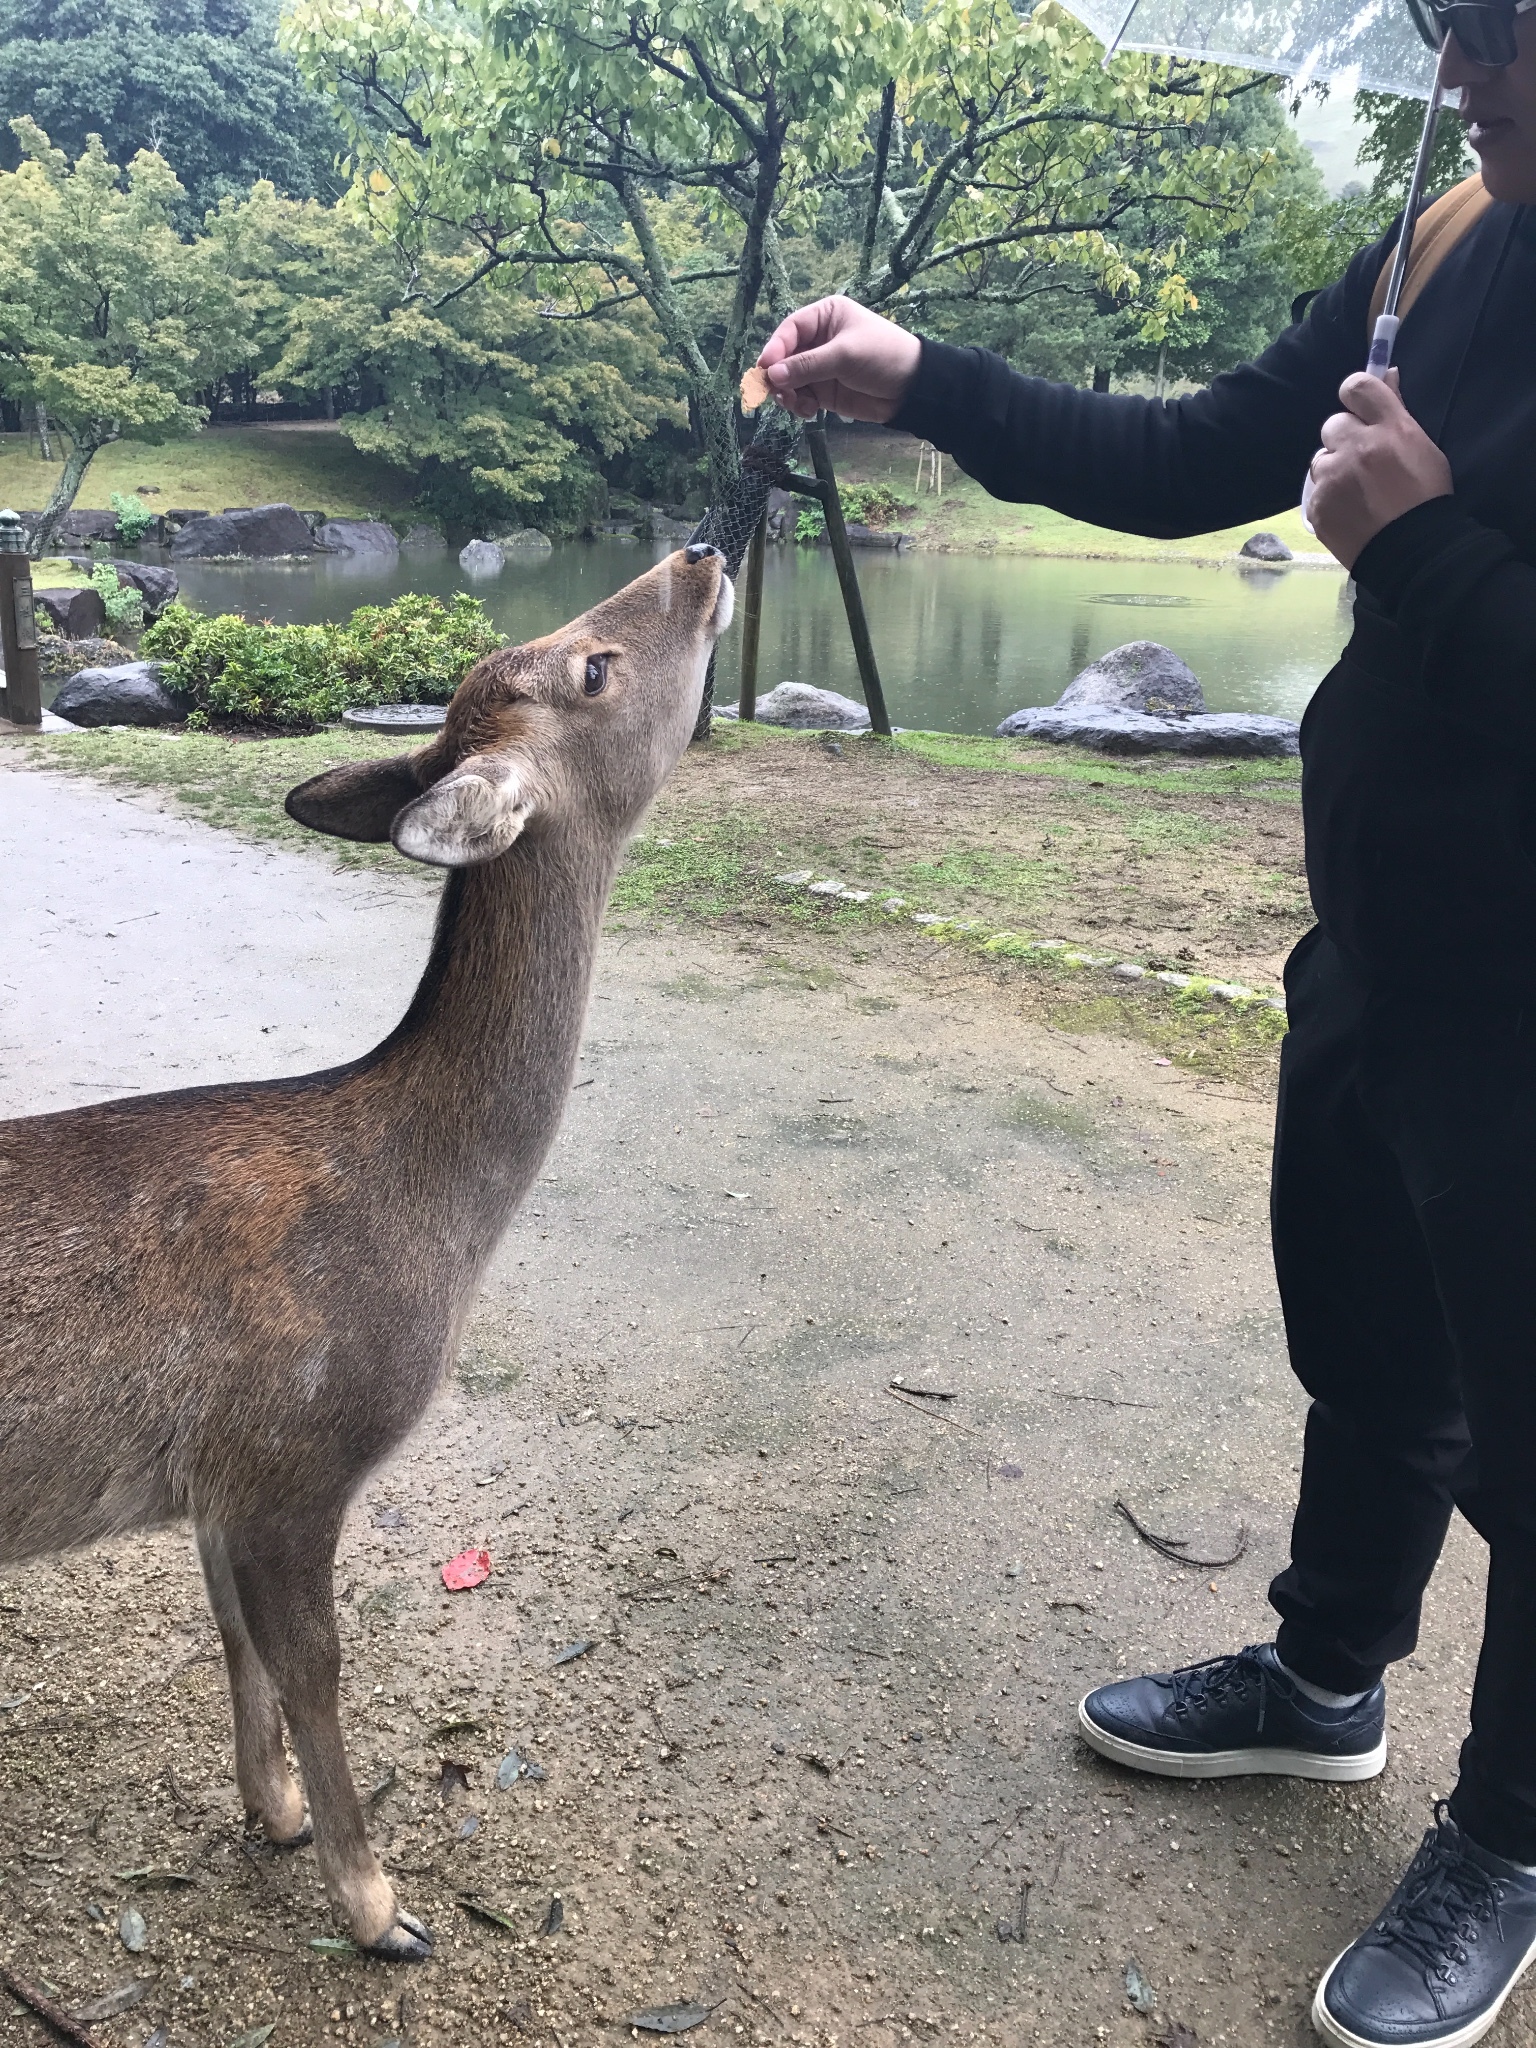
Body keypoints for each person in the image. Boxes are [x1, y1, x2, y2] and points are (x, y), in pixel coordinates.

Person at [759, 9, 1536, 2045]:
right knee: (1366, 1335)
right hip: (1386, 947)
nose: (1468, 70)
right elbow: (1207, 453)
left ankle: (1513, 1835)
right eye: (1454, 21)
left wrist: (1430, 551)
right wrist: (926, 380)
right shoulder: (1447, 238)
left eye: (1511, 32)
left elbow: (1435, 570)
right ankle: (1325, 1679)